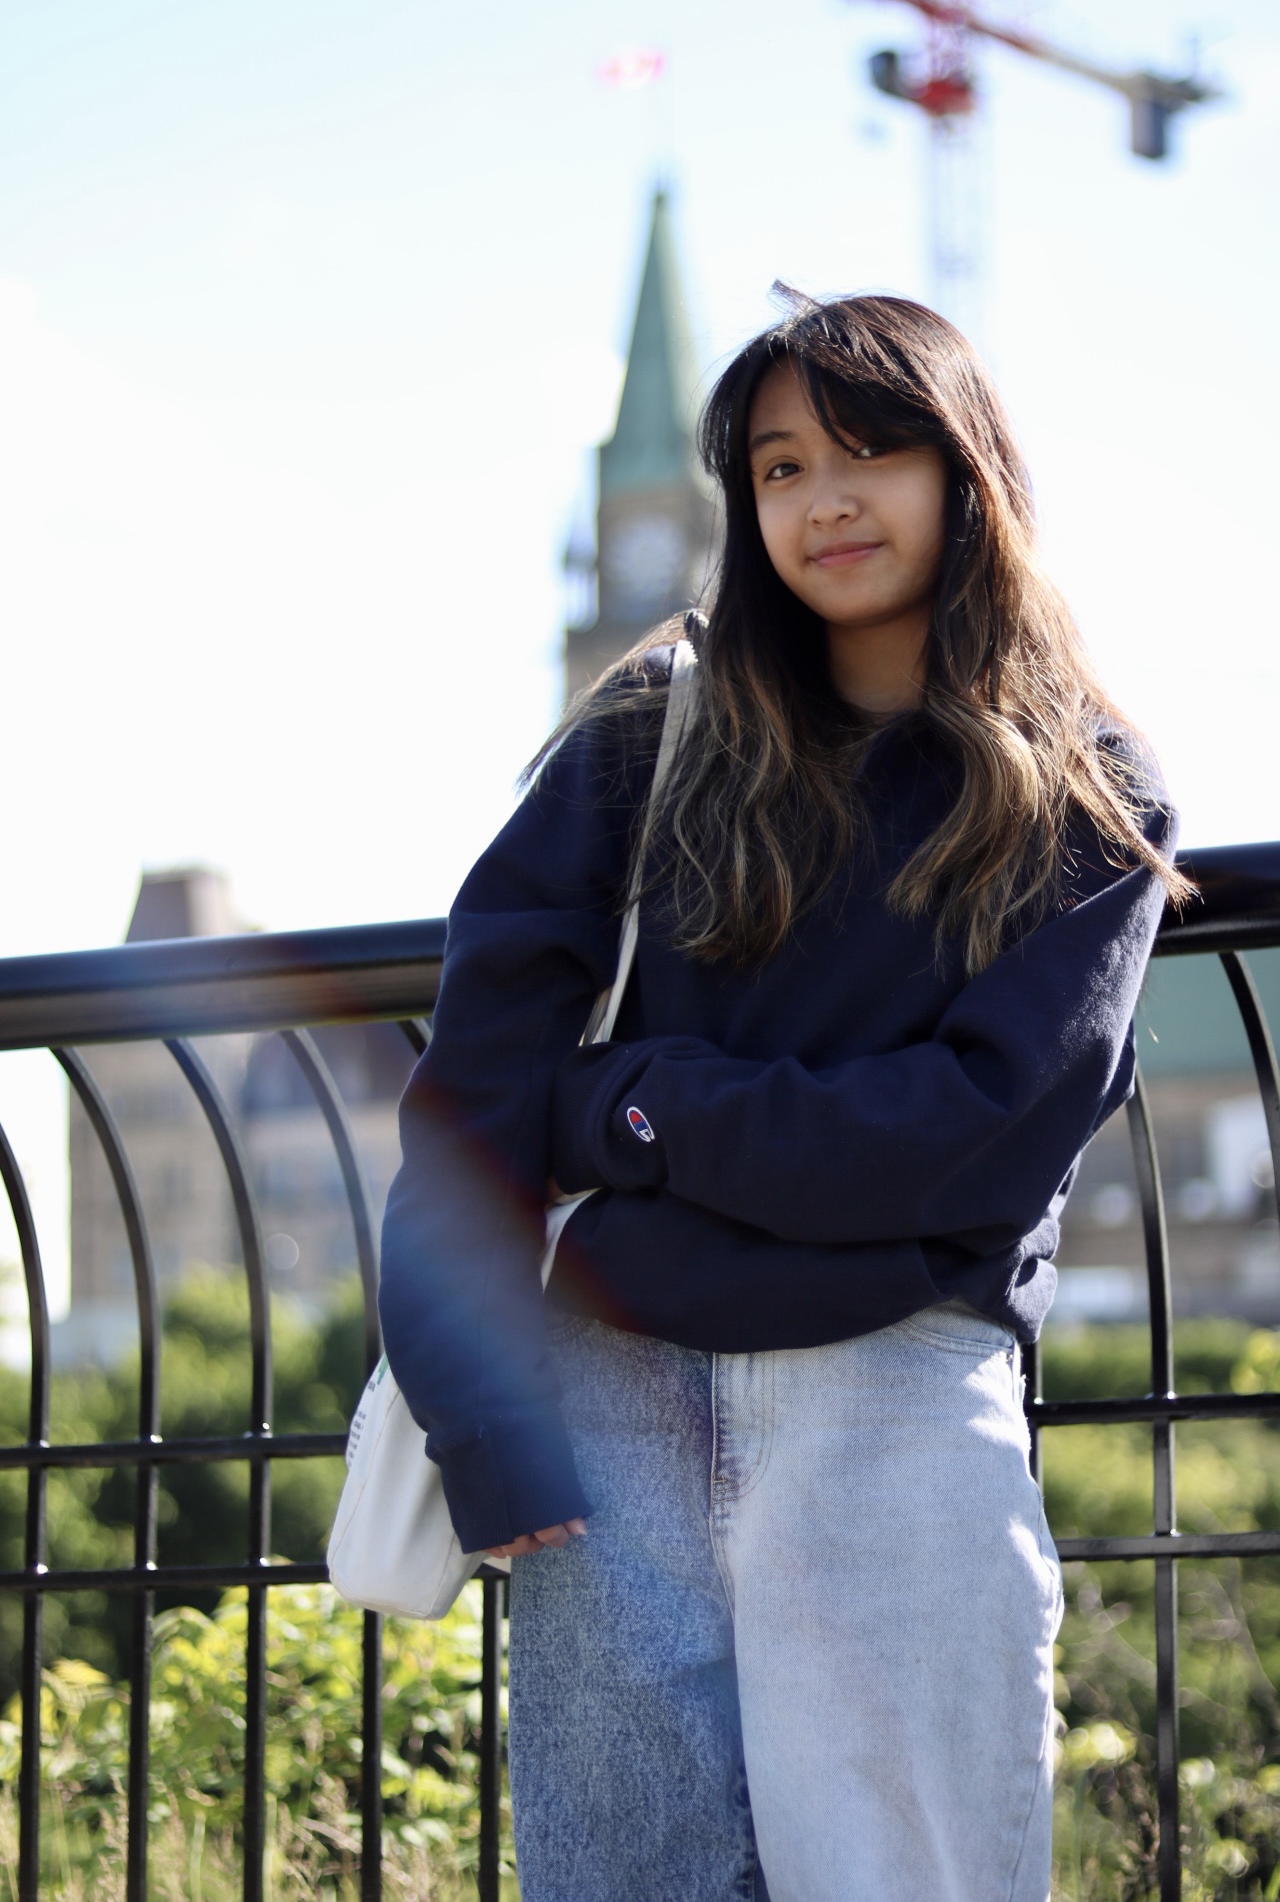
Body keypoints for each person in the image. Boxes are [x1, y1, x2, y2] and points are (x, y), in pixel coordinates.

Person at [379, 292, 1184, 1902]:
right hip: (603, 1409)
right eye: (778, 465)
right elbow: (474, 1095)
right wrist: (483, 1421)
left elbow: (970, 1139)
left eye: (872, 451)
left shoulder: (1087, 787)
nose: (824, 498)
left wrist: (640, 1110)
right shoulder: (642, 744)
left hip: (897, 1396)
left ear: (969, 472)